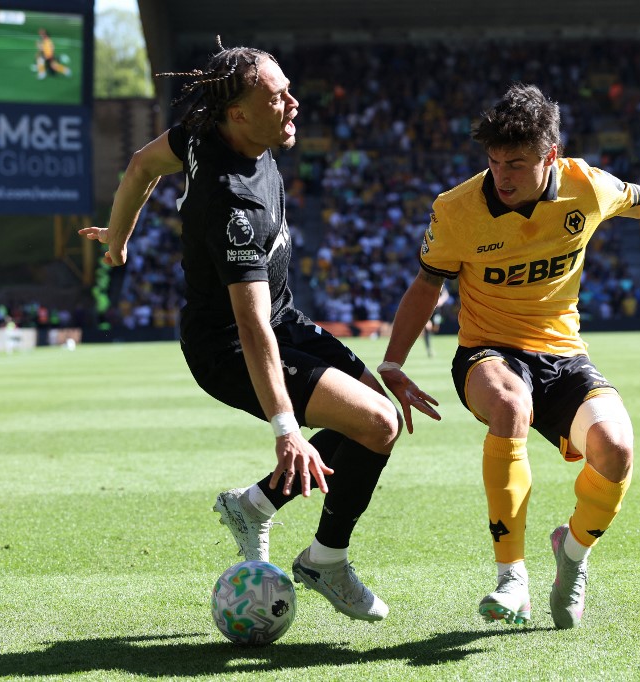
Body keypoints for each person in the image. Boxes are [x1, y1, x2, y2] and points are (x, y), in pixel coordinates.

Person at [377, 83, 640, 629]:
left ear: (550, 157)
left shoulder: (586, 186)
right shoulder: (456, 209)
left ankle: (571, 553)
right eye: (495, 161)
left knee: (617, 449)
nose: (501, 176)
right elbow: (427, 284)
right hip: (488, 352)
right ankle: (512, 579)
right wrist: (392, 361)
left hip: (562, 353)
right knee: (509, 407)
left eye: (517, 163)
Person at [78, 38, 400, 622]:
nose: (294, 104)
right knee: (375, 425)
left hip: (282, 316)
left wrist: (118, 242)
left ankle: (254, 505)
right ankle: (325, 559)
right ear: (239, 114)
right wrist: (285, 429)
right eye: (278, 97)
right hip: (226, 347)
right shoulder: (234, 207)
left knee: (380, 419)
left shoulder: (205, 134)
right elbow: (252, 331)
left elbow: (141, 165)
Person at [422, 284, 451, 357]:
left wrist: (441, 300)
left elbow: (446, 294)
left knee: (435, 329)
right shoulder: (427, 285)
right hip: (427, 310)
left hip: (437, 311)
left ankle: (432, 344)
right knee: (427, 329)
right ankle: (429, 349)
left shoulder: (441, 284)